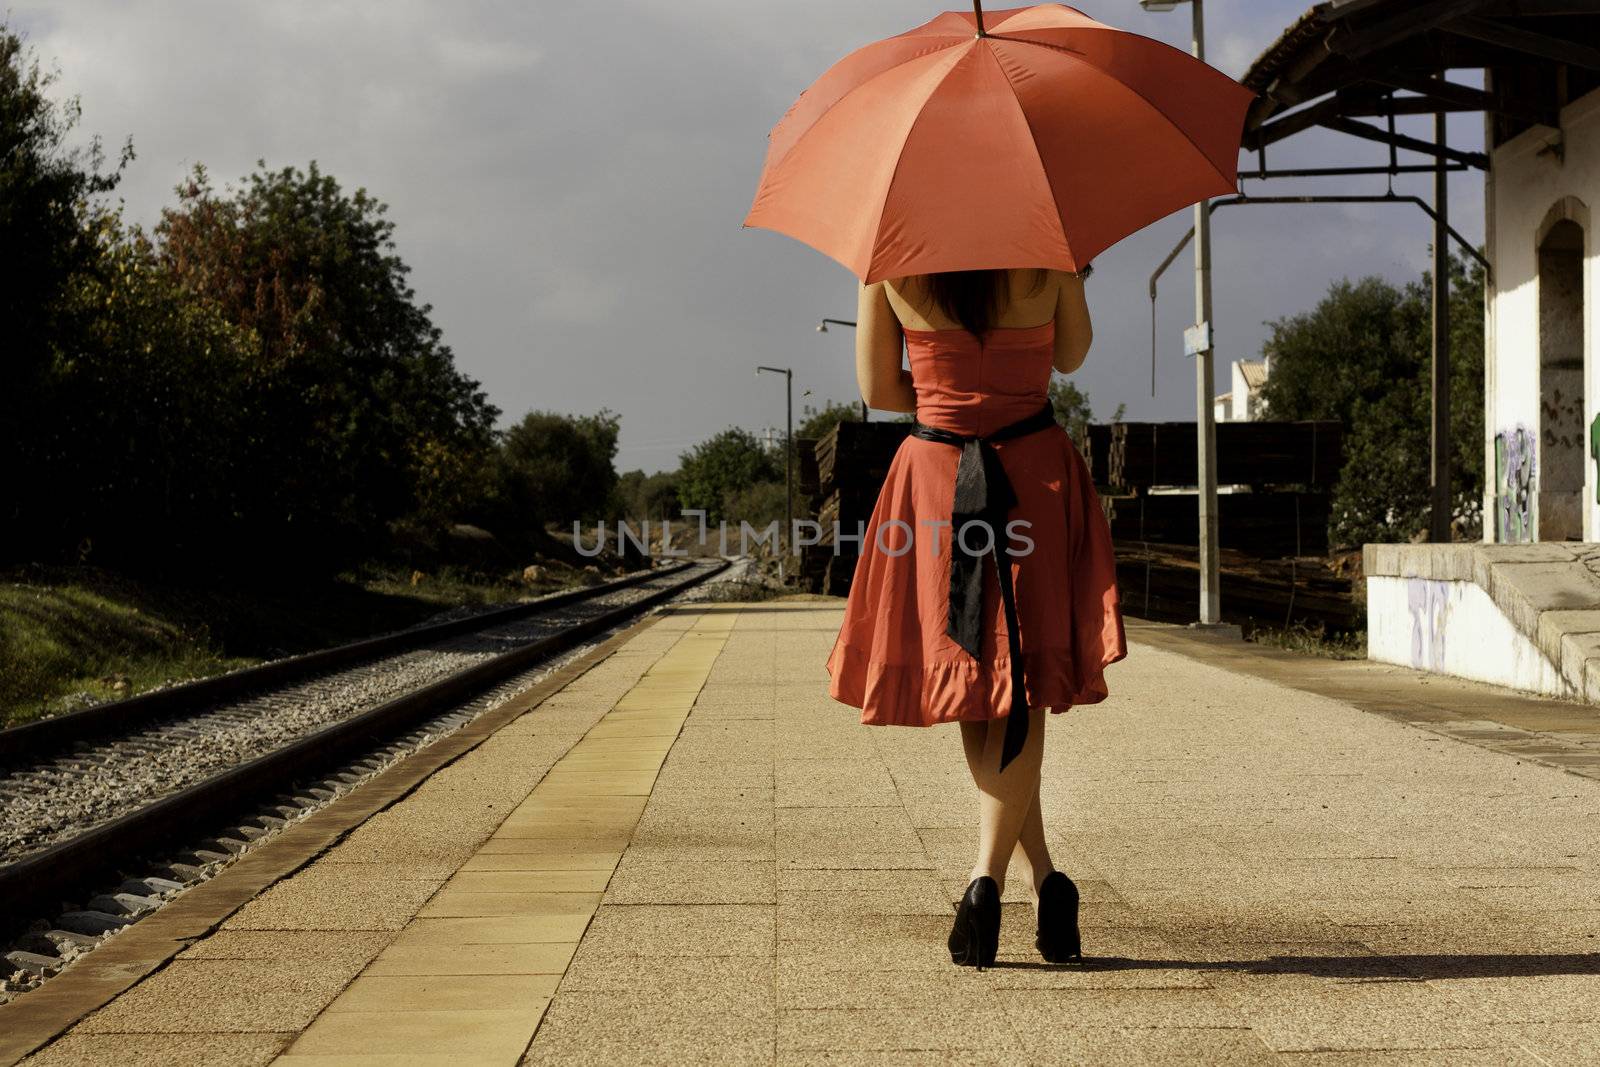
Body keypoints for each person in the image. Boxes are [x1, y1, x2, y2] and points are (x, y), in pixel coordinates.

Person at [824, 266, 1126, 969]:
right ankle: (1037, 882)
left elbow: (879, 389)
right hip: (1033, 471)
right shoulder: (1046, 252)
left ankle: (987, 883)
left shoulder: (893, 261)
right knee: (1015, 682)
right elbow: (1072, 354)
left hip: (938, 471)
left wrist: (945, 394)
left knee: (977, 676)